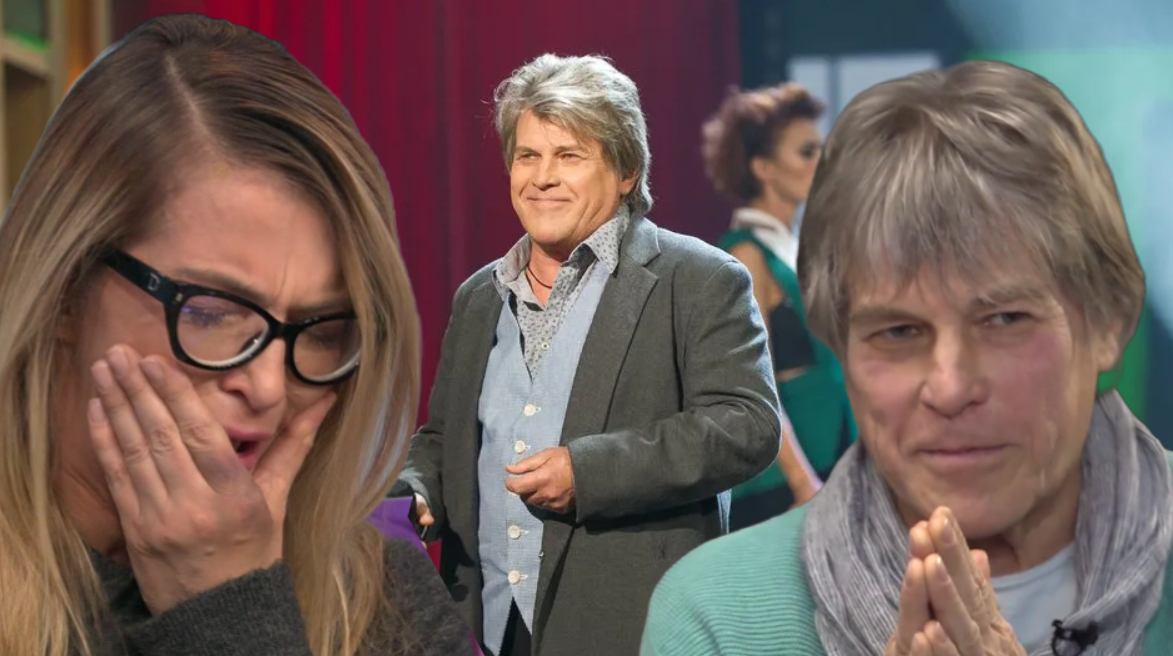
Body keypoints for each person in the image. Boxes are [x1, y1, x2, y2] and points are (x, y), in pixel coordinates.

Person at [641, 60, 1173, 655]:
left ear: (1108, 321)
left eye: (1004, 320)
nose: (949, 387)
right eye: (898, 331)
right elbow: (751, 387)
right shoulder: (715, 614)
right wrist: (798, 478)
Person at [0, 14, 474, 656]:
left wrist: (233, 618)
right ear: (66, 288)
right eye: (212, 312)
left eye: (322, 330)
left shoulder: (384, 599)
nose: (270, 388)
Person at [390, 54, 781, 656]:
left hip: (628, 626)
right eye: (528, 156)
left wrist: (588, 472)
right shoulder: (478, 297)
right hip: (484, 626)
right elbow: (445, 440)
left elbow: (747, 426)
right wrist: (417, 490)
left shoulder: (698, 279)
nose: (542, 177)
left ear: (626, 171)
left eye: (569, 156)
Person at [701, 83, 857, 529]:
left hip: (836, 460)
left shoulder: (799, 249)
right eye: (807, 152)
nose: (821, 161)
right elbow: (754, 383)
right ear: (764, 168)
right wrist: (804, 484)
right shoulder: (746, 254)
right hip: (787, 484)